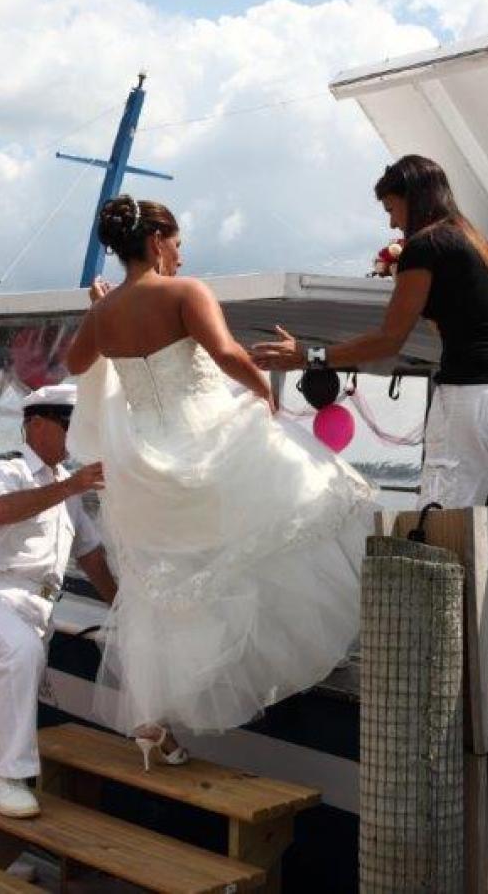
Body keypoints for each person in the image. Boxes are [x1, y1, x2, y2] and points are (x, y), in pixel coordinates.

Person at [65, 195, 374, 769]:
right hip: (204, 438)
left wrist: (101, 313)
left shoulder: (102, 316)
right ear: (156, 242)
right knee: (325, 499)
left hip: (145, 466)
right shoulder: (185, 292)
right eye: (178, 243)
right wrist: (262, 394)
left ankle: (152, 719)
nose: (182, 255)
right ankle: (274, 665)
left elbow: (75, 365)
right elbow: (227, 352)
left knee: (164, 588)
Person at [252, 154, 488, 508]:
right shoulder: (478, 244)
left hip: (468, 396)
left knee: (439, 522)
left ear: (413, 199)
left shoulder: (425, 246)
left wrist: (308, 355)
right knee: (464, 517)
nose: (393, 222)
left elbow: (389, 340)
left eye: (391, 209)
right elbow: (450, 320)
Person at [0, 384, 116, 845]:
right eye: (71, 427)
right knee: (19, 656)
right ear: (37, 424)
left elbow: (92, 556)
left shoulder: (68, 491)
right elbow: (0, 512)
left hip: (36, 610)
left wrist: (123, 606)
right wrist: (71, 485)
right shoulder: (8, 469)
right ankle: (13, 778)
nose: (76, 439)